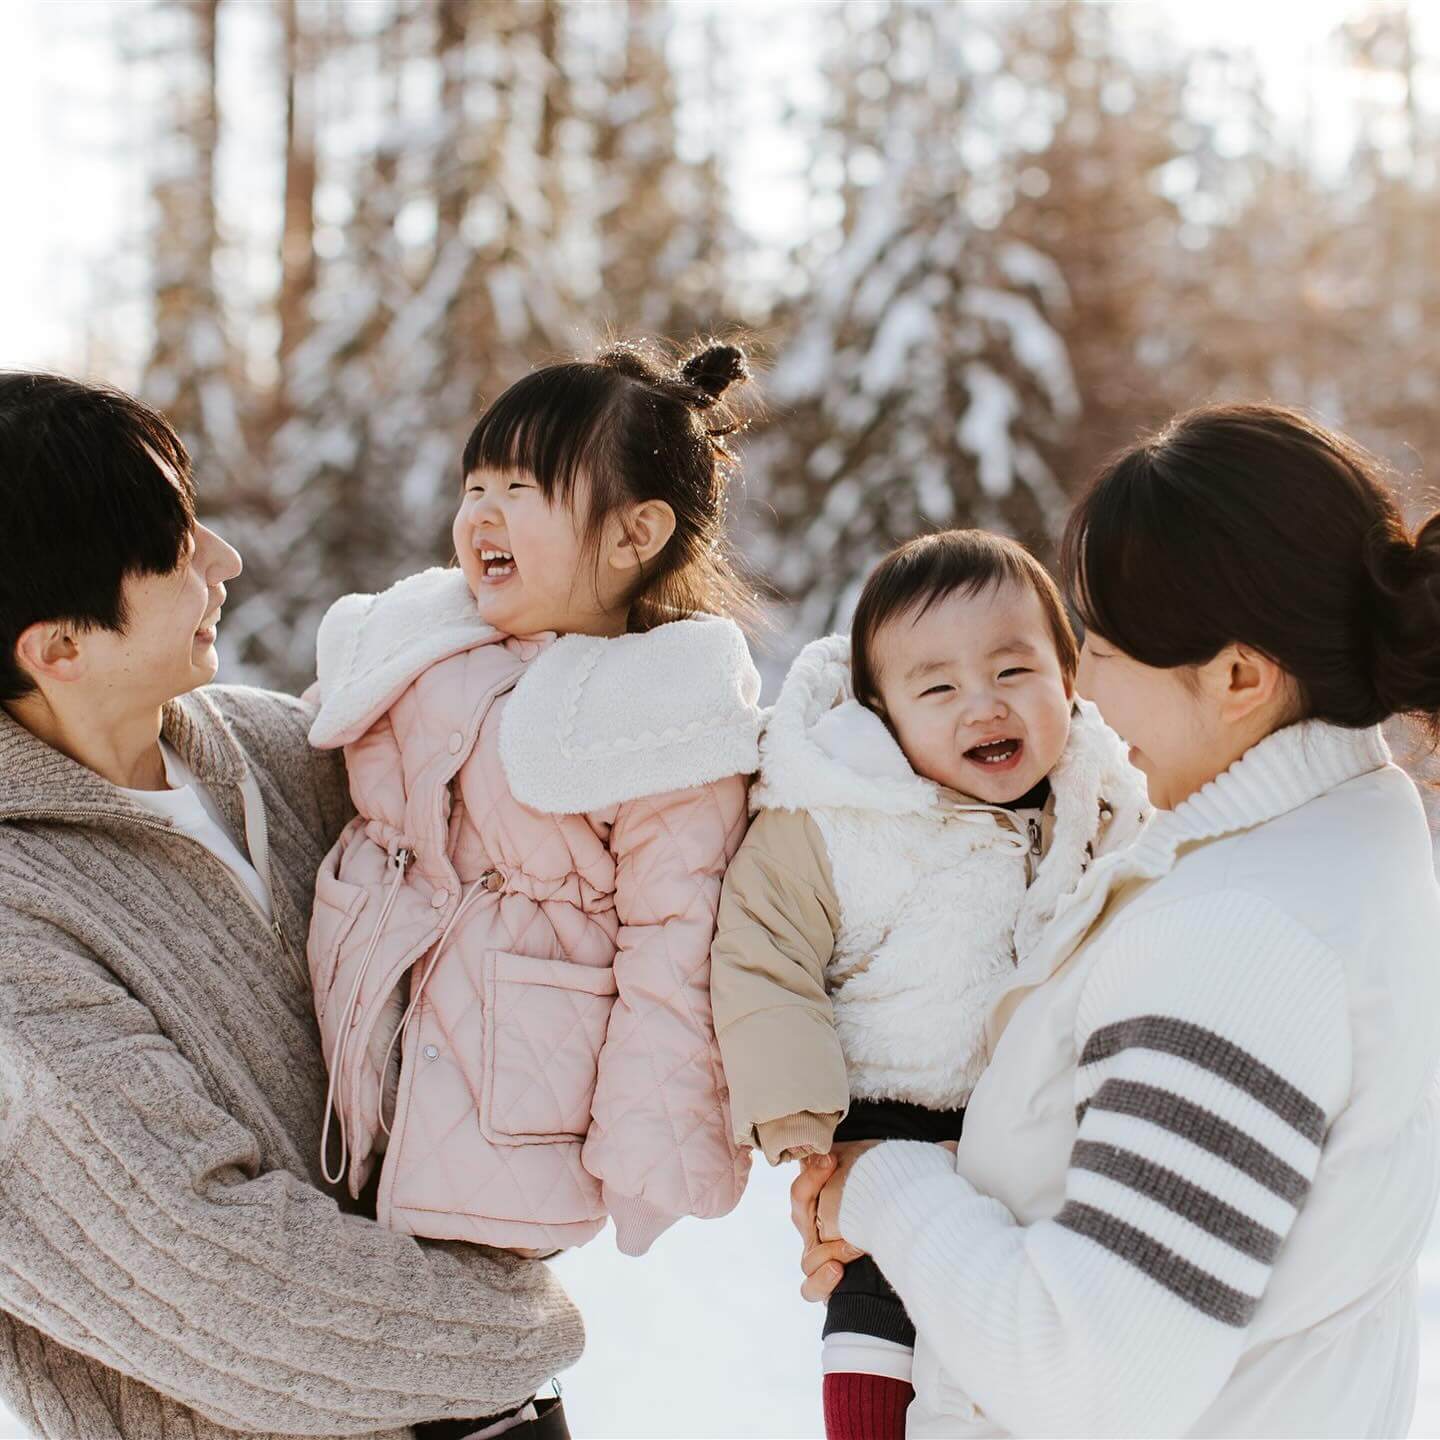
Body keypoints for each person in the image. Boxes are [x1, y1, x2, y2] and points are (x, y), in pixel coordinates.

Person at [792, 403, 1440, 1437]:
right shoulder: (1340, 836)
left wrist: (885, 1182)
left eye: (1103, 649)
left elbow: (1089, 1381)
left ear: (1239, 677)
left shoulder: (1245, 938)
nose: (1080, 687)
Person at [0, 373, 582, 1440]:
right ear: (60, 648)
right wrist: (515, 1335)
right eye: (177, 548)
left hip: (485, 1412)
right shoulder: (14, 924)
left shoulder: (280, 749)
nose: (223, 559)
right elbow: (210, 1270)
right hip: (461, 1383)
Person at [306, 340, 759, 1260]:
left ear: (635, 534)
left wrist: (650, 1148)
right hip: (362, 1049)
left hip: (512, 1096)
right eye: (475, 486)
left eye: (521, 490)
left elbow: (677, 942)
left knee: (464, 1346)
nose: (482, 513)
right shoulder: (427, 644)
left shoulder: (662, 718)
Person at [711, 530, 1147, 1440]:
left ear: (1070, 674)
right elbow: (764, 946)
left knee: (1014, 1354)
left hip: (1041, 1135)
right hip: (892, 1111)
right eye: (938, 688)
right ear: (882, 714)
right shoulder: (839, 815)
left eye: (1013, 672)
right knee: (875, 1316)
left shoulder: (1105, 802)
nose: (981, 707)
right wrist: (798, 1112)